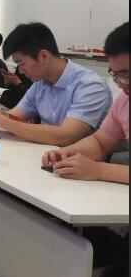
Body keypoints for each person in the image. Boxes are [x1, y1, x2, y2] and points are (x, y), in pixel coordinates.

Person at [0, 22, 112, 146]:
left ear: (43, 56)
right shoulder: (41, 83)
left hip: (79, 165)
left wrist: (0, 120)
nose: (21, 71)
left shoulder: (90, 86)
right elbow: (15, 118)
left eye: (21, 63)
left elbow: (67, 136)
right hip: (43, 153)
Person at [42, 22, 129, 183]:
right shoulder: (124, 100)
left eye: (126, 75)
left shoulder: (91, 84)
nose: (121, 84)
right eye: (115, 75)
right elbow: (100, 142)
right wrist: (68, 152)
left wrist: (99, 170)